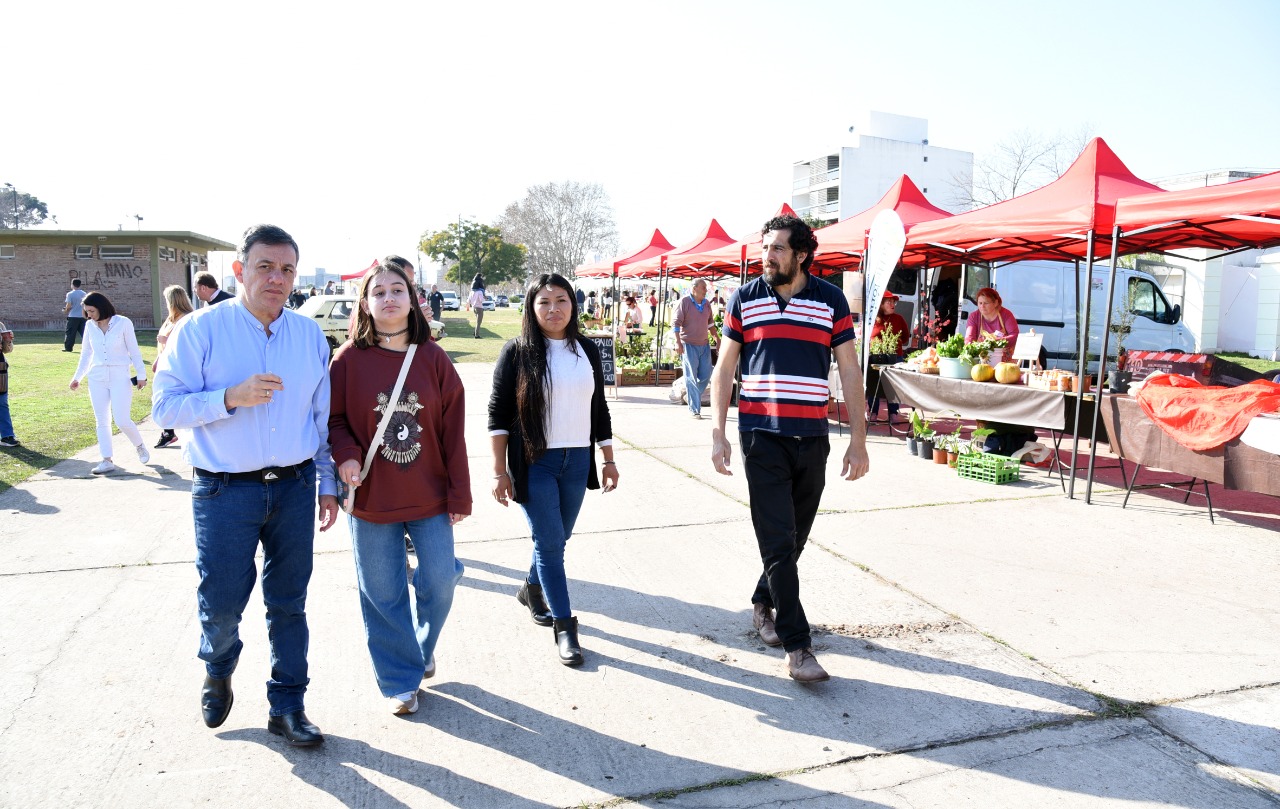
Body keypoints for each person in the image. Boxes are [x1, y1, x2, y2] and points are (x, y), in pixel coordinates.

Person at [152, 224, 338, 748]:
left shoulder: (306, 336)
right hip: (224, 492)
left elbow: (320, 419)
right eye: (265, 267)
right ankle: (217, 666)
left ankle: (289, 705)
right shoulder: (200, 330)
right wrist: (228, 397)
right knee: (223, 601)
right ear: (239, 270)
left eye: (286, 270)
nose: (276, 279)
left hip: (295, 488)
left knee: (289, 602)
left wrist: (326, 483)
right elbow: (163, 407)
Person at [709, 214, 869, 684]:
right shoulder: (744, 299)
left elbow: (850, 372)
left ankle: (762, 603)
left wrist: (858, 440)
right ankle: (799, 648)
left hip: (813, 438)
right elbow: (723, 370)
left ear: (801, 254)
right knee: (778, 540)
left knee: (794, 537)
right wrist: (718, 431)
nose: (767, 256)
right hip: (761, 436)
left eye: (778, 248)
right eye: (765, 248)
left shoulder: (830, 300)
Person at [329, 261, 471, 716]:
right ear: (366, 305)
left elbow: (453, 430)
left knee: (440, 581)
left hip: (429, 494)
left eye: (397, 289)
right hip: (370, 496)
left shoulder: (434, 359)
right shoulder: (348, 360)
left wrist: (459, 493)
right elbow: (333, 420)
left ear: (412, 300)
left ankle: (419, 648)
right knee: (382, 592)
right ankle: (399, 681)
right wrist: (346, 454)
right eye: (378, 292)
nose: (388, 298)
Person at [488, 273, 618, 667]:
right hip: (534, 462)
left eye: (561, 300)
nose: (553, 309)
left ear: (573, 304)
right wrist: (499, 470)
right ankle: (565, 627)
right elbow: (497, 415)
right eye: (544, 302)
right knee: (549, 544)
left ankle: (531, 587)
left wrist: (608, 459)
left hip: (578, 460)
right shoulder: (517, 352)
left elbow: (599, 410)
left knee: (558, 538)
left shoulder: (587, 351)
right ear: (531, 307)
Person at [69, 292, 150, 475]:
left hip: (120, 375)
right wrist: (77, 377)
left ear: (101, 307)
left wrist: (141, 374)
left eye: (91, 310)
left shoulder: (123, 323)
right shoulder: (90, 325)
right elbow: (86, 355)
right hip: (97, 376)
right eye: (86, 311)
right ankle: (106, 460)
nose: (88, 315)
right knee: (102, 420)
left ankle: (139, 446)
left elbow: (134, 351)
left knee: (122, 420)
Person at [152, 285, 196, 448]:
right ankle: (168, 432)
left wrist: (167, 341)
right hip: (166, 363)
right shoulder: (171, 318)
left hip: (179, 366)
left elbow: (187, 344)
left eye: (167, 300)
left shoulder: (186, 318)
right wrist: (158, 360)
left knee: (176, 399)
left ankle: (171, 433)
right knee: (163, 397)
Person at [672, 279, 715, 419]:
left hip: (704, 345)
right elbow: (676, 324)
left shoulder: (707, 304)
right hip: (688, 345)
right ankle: (694, 409)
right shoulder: (684, 302)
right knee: (691, 377)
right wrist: (678, 343)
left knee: (706, 375)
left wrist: (717, 338)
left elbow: (710, 324)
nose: (705, 290)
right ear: (694, 288)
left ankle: (690, 394)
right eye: (703, 287)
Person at [866, 293, 908, 422]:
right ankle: (873, 411)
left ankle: (893, 413)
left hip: (895, 357)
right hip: (876, 357)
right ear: (881, 304)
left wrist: (894, 344)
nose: (892, 304)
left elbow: (905, 338)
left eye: (893, 302)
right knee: (874, 384)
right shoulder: (873, 319)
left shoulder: (899, 319)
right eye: (888, 302)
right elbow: (867, 336)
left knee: (893, 386)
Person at [965, 286, 1019, 358]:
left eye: (986, 303)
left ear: (995, 303)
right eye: (980, 303)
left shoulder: (1006, 315)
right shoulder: (974, 317)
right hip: (982, 359)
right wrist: (970, 348)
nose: (982, 306)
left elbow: (1015, 336)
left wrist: (995, 342)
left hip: (1005, 362)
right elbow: (969, 338)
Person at [0, 321, 16, 447]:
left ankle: (7, 436)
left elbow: (8, 350)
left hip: (1, 370)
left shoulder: (0, 325)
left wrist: (8, 341)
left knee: (2, 402)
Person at [63, 279, 88, 352]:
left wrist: (65, 310)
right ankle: (88, 348)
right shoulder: (84, 294)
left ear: (72, 284)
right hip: (82, 316)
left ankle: (68, 348)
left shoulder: (70, 294)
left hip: (73, 316)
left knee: (70, 333)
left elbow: (68, 306)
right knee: (84, 333)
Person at [469, 272, 486, 338]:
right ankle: (477, 335)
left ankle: (475, 332)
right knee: (479, 322)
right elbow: (481, 300)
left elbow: (469, 300)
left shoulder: (472, 291)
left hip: (474, 307)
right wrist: (485, 298)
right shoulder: (480, 292)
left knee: (477, 321)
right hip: (479, 307)